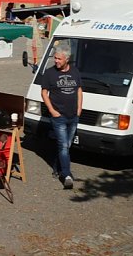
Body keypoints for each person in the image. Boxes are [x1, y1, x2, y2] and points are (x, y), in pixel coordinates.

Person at [41, 43, 82, 190]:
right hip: (58, 117)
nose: (56, 61)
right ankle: (67, 175)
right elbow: (44, 93)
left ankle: (56, 167)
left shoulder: (75, 72)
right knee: (64, 146)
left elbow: (79, 90)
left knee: (66, 145)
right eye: (55, 58)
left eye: (59, 58)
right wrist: (52, 110)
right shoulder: (50, 73)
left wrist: (79, 109)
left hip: (73, 116)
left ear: (67, 59)